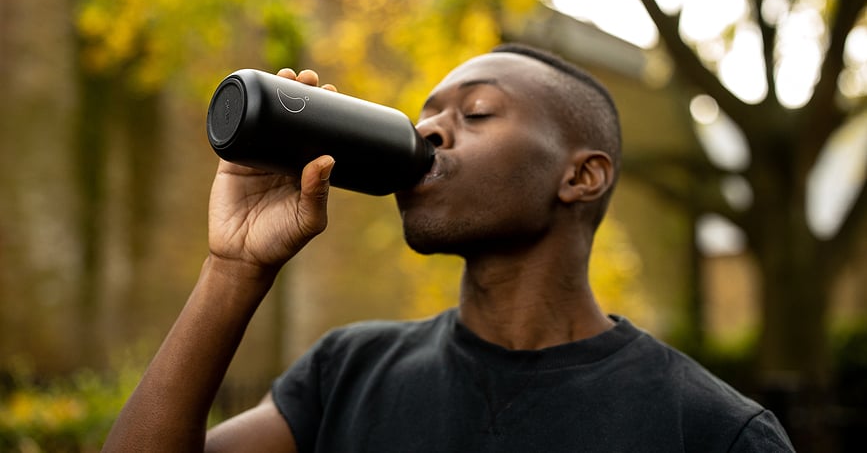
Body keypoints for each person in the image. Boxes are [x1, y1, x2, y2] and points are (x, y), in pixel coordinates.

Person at [102, 44, 795, 452]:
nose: (429, 129)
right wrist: (233, 268)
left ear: (581, 177)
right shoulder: (348, 372)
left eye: (477, 111)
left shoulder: (711, 431)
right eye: (427, 113)